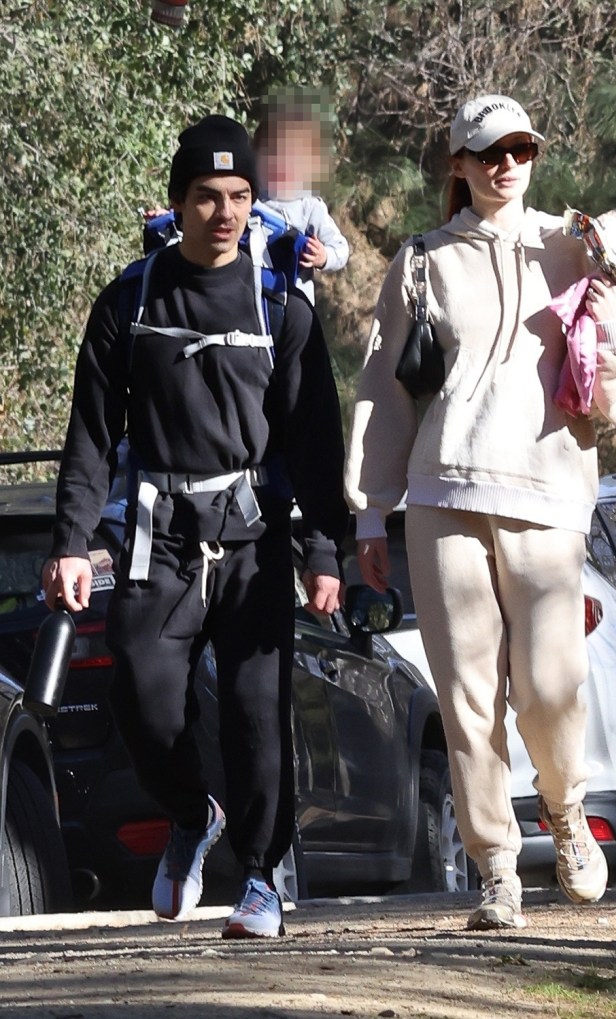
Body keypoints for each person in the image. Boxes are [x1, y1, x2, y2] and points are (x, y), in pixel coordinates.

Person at [344, 94, 616, 931]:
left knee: (551, 685)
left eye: (520, 149)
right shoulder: (421, 261)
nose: (506, 163)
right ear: (460, 165)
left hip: (549, 494)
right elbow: (384, 390)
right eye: (488, 152)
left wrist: (610, 285)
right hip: (443, 495)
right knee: (468, 696)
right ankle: (497, 869)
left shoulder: (575, 242)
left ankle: (567, 810)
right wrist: (371, 513)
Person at [42, 114, 348, 939]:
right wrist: (72, 540)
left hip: (251, 534)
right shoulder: (130, 301)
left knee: (256, 712)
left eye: (240, 196)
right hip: (158, 534)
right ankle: (190, 815)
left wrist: (324, 551)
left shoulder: (282, 308)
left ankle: (259, 877)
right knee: (143, 700)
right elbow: (91, 434)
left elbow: (316, 441)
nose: (225, 212)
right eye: (208, 196)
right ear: (177, 203)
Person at [253, 86, 350, 304]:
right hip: (253, 302)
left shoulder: (309, 207)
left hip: (295, 306)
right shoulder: (248, 198)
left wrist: (324, 256)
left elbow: (341, 249)